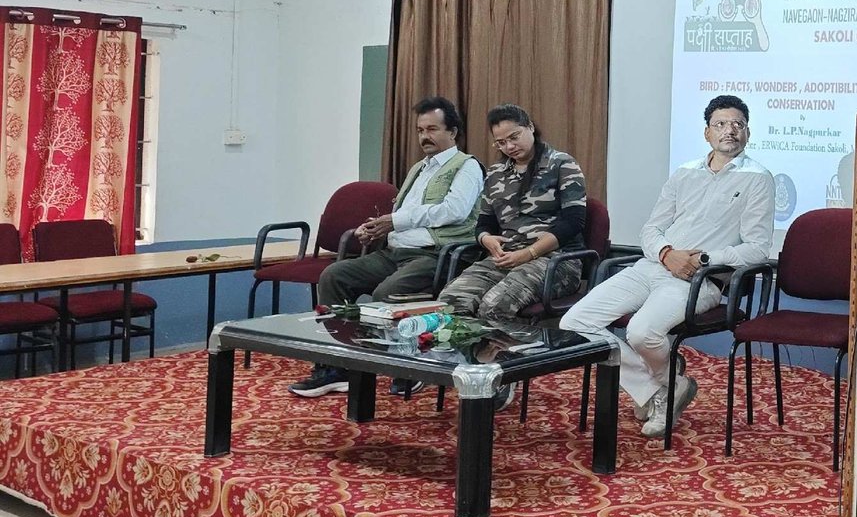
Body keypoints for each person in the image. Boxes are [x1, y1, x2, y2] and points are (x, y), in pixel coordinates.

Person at [561, 95, 775, 439]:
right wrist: (665, 254)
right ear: (707, 133)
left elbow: (757, 248)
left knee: (641, 333)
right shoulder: (685, 172)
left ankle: (660, 387)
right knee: (575, 323)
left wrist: (703, 258)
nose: (730, 130)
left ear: (748, 133)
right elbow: (651, 228)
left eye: (738, 124)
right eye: (721, 124)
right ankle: (665, 384)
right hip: (651, 266)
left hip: (698, 279)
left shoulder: (758, 178)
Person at [289, 96, 484, 397]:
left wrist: (394, 220)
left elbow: (453, 211)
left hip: (435, 255)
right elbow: (401, 216)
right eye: (420, 130)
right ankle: (339, 366)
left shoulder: (467, 167)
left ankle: (408, 365)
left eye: (432, 129)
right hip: (395, 251)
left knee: (386, 294)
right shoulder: (419, 169)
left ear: (453, 132)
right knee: (334, 276)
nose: (425, 137)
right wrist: (375, 228)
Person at [439, 104, 588, 323]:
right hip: (506, 258)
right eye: (501, 142)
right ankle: (474, 346)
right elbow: (484, 224)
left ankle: (507, 346)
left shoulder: (561, 164)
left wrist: (529, 253)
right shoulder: (496, 173)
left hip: (556, 261)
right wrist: (486, 239)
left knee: (495, 306)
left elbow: (574, 222)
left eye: (514, 137)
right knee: (449, 303)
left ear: (530, 127)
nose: (509, 146)